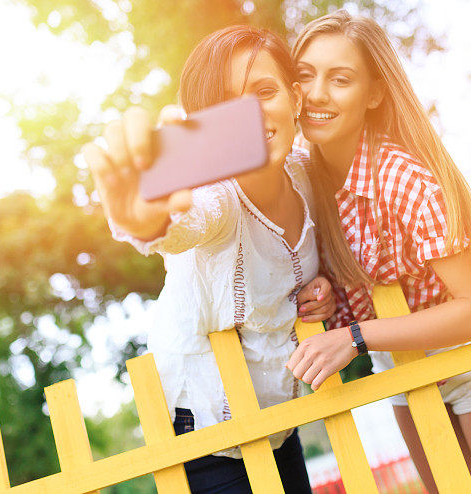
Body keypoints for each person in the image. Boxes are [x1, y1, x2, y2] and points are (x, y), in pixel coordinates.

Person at [285, 11, 471, 493]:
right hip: (400, 372)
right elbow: (364, 291)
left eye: (340, 79)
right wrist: (329, 298)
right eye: (305, 75)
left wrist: (355, 336)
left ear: (374, 94)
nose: (317, 93)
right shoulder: (304, 184)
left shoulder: (403, 177)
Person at [83, 25, 335, 494]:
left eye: (264, 91)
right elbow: (184, 225)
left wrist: (323, 290)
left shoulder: (306, 174)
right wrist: (146, 221)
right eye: (227, 106)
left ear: (296, 98)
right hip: (206, 435)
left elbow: (296, 270)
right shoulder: (217, 197)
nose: (253, 114)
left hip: (280, 422)